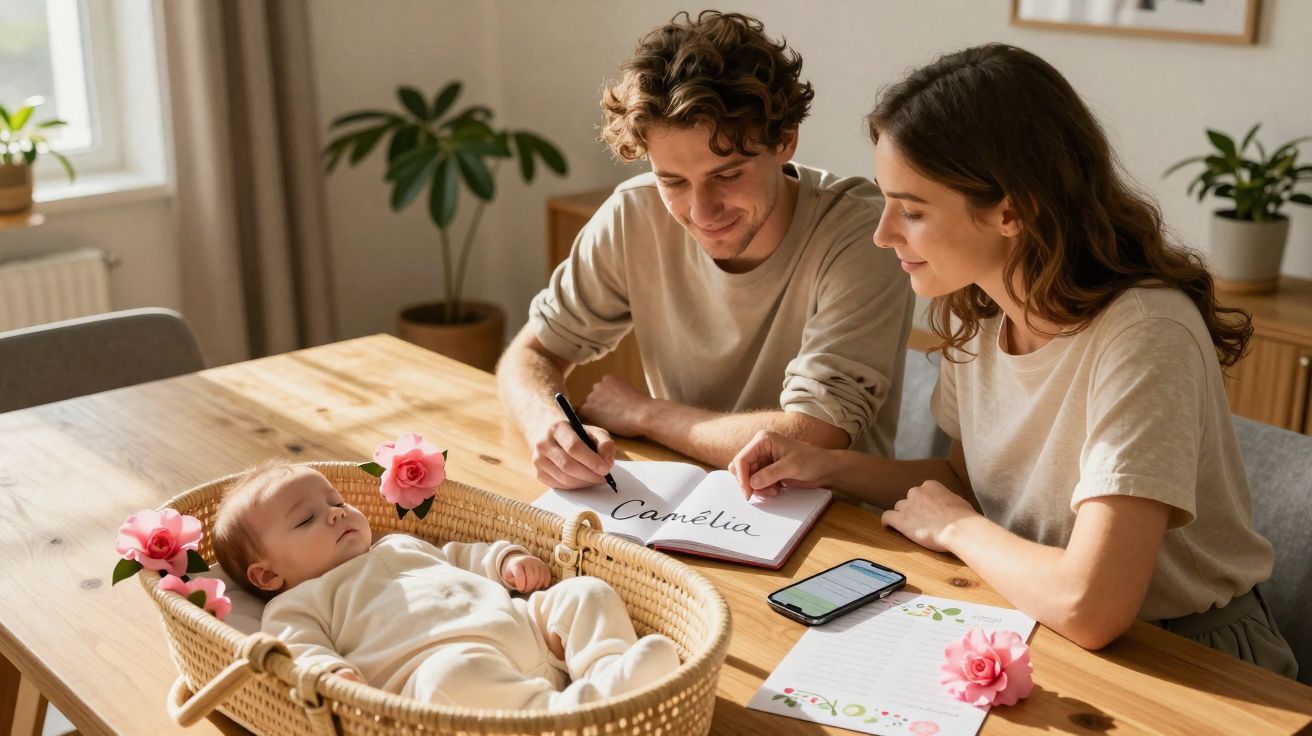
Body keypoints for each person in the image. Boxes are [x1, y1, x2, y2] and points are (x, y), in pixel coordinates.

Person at [729, 43, 1297, 677]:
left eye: (912, 210)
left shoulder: (1144, 334)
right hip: (1033, 616)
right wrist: (825, 465)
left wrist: (957, 530)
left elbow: (1092, 604)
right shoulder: (981, 314)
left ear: (1011, 208)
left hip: (1185, 658)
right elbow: (969, 486)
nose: (882, 233)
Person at [497, 10, 913, 490]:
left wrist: (646, 414)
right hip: (679, 503)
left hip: (829, 523)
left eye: (727, 175)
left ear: (785, 140)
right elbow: (530, 354)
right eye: (672, 180)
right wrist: (547, 426)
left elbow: (810, 439)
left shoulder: (862, 234)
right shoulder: (634, 215)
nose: (702, 211)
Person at [212, 462, 681, 709]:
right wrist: (331, 674)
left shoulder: (396, 544)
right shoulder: (298, 604)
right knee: (449, 679)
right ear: (268, 576)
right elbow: (300, 651)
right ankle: (562, 716)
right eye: (308, 518)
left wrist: (505, 559)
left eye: (333, 500)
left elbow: (459, 556)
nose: (336, 512)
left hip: (528, 629)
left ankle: (609, 675)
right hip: (448, 667)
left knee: (585, 594)